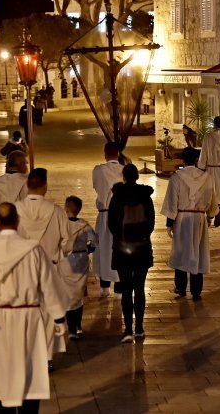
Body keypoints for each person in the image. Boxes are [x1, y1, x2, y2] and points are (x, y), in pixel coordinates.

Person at [0, 202, 69, 414]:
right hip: (29, 317)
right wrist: (58, 318)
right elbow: (48, 285)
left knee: (2, 373)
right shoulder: (33, 249)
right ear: (18, 220)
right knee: (30, 373)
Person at [15, 168, 73, 361]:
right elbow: (67, 242)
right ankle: (46, 356)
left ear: (27, 186)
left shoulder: (15, 210)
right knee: (48, 313)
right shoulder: (56, 212)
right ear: (45, 186)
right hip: (50, 267)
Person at [162, 147, 218, 300]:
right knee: (198, 252)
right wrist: (210, 215)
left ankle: (180, 287)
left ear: (182, 160)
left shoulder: (176, 178)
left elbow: (172, 202)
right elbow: (211, 200)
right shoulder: (207, 177)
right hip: (199, 218)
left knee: (181, 251)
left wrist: (169, 222)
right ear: (196, 160)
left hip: (182, 218)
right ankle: (196, 290)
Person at [108, 163, 155, 343]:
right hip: (142, 247)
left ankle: (127, 329)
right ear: (137, 176)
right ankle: (140, 328)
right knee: (139, 288)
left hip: (123, 247)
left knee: (126, 289)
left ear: (124, 176)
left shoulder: (117, 197)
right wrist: (142, 236)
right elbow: (151, 222)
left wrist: (121, 238)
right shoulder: (145, 197)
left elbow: (112, 223)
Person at [60, 196, 97, 340]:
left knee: (69, 295)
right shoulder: (84, 225)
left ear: (66, 209)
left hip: (66, 262)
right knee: (79, 293)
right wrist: (88, 249)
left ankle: (72, 329)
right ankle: (78, 325)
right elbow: (94, 240)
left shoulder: (62, 224)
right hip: (81, 261)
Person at [92, 142, 124, 296]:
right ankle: (119, 285)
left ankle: (104, 286)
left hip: (105, 214)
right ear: (118, 153)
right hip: (120, 216)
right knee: (119, 249)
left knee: (104, 249)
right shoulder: (125, 170)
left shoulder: (98, 170)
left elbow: (96, 186)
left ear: (105, 154)